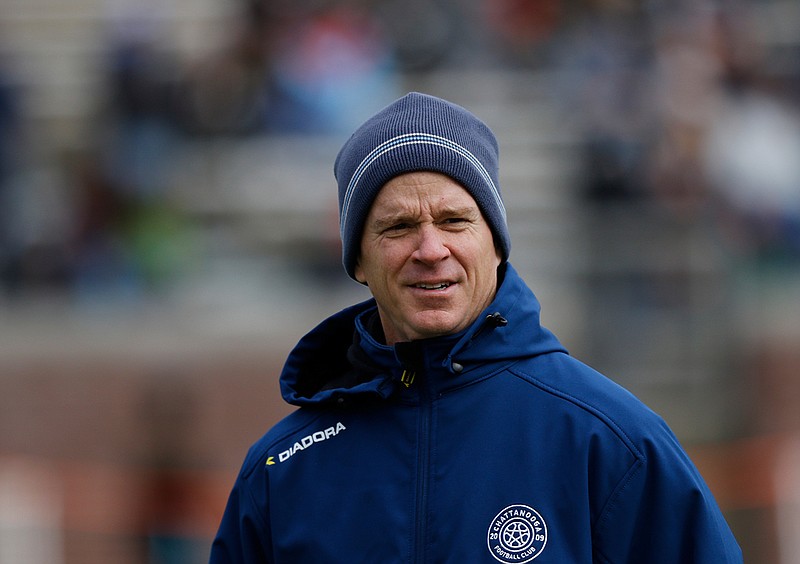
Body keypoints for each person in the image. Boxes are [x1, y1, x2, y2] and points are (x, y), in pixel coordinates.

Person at [210, 92, 742, 563]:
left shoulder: (612, 440)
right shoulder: (282, 471)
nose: (430, 250)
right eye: (398, 227)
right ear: (358, 262)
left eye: (453, 221)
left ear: (495, 243)